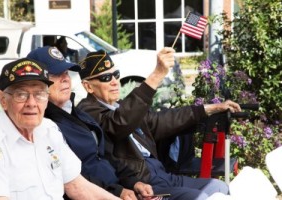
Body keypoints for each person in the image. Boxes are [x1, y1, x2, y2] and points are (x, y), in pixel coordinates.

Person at [77, 48, 242, 200]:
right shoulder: (87, 112)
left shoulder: (119, 105)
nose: (114, 81)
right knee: (200, 197)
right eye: (106, 77)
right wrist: (157, 75)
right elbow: (119, 123)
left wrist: (210, 108)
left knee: (219, 187)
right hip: (140, 184)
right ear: (88, 87)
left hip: (160, 174)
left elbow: (161, 120)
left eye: (116, 74)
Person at [26, 46, 154, 200]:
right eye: (55, 74)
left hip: (122, 188)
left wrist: (133, 183)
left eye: (66, 72)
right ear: (36, 84)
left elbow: (106, 155)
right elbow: (74, 179)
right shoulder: (44, 126)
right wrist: (118, 191)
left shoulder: (77, 112)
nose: (65, 78)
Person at [0, 58, 120, 200]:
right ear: (3, 100)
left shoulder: (49, 129)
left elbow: (77, 187)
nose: (32, 103)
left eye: (39, 94)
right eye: (21, 95)